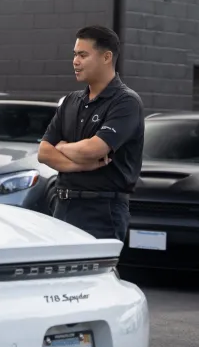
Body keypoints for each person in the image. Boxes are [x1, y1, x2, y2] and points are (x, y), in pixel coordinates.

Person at [38, 25, 144, 241]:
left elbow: (94, 150)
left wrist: (63, 148)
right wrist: (80, 165)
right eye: (75, 55)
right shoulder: (71, 101)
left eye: (83, 55)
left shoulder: (125, 102)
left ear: (106, 57)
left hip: (102, 211)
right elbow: (44, 152)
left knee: (93, 274)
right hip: (62, 206)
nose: (75, 61)